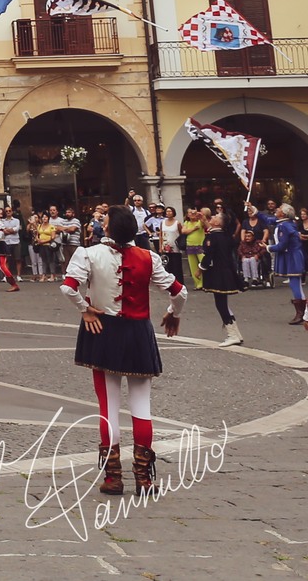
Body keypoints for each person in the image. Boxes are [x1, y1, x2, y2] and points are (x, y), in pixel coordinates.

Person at [62, 207, 185, 497]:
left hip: (104, 331)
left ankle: (113, 477)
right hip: (139, 333)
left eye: (104, 220)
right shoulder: (148, 257)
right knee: (142, 408)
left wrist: (85, 309)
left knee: (109, 409)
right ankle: (143, 477)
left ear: (108, 229)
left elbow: (68, 288)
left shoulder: (89, 254)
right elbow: (179, 292)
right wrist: (173, 314)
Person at [200, 208, 245, 346]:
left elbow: (209, 255)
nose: (212, 217)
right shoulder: (224, 236)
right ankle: (235, 333)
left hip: (218, 274)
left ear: (218, 224)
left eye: (215, 217)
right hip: (226, 272)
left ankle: (232, 335)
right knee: (223, 304)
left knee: (221, 304)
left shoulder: (213, 237)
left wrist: (201, 268)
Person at [272, 204, 308, 323]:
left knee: (295, 284)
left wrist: (268, 248)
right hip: (294, 255)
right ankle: (305, 312)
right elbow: (268, 219)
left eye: (279, 209)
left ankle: (301, 313)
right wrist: (254, 210)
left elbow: (282, 245)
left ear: (284, 214)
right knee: (295, 284)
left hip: (293, 256)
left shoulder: (284, 226)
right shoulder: (285, 223)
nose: (277, 210)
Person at [179, 208, 206, 289]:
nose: (192, 214)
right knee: (193, 266)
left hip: (200, 246)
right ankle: (198, 284)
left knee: (203, 264)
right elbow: (183, 231)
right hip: (190, 246)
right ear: (187, 215)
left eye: (193, 212)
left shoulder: (199, 221)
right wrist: (194, 229)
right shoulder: (186, 222)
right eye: (190, 213)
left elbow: (204, 221)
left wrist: (199, 214)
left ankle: (206, 283)